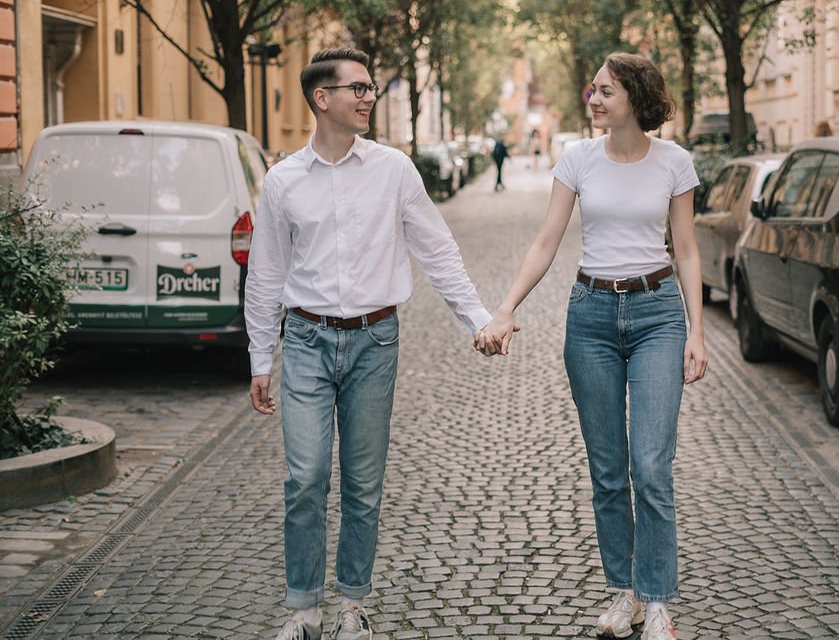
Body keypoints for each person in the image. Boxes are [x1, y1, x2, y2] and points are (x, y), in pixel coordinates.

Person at [245, 47, 492, 640]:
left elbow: (437, 248)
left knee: (362, 480)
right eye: (356, 88)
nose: (367, 97)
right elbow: (266, 273)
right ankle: (303, 609)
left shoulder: (394, 170)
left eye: (370, 88)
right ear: (320, 98)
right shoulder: (283, 182)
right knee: (304, 478)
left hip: (375, 342)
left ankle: (351, 607)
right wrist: (261, 357)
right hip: (305, 338)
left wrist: (477, 318)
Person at [475, 52, 708, 640]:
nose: (594, 99)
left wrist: (697, 332)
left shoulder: (674, 163)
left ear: (634, 95)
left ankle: (657, 602)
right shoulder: (577, 158)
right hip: (592, 318)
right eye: (592, 90)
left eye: (605, 91)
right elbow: (546, 241)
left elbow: (686, 251)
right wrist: (505, 309)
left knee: (651, 466)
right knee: (608, 470)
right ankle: (621, 593)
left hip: (658, 315)